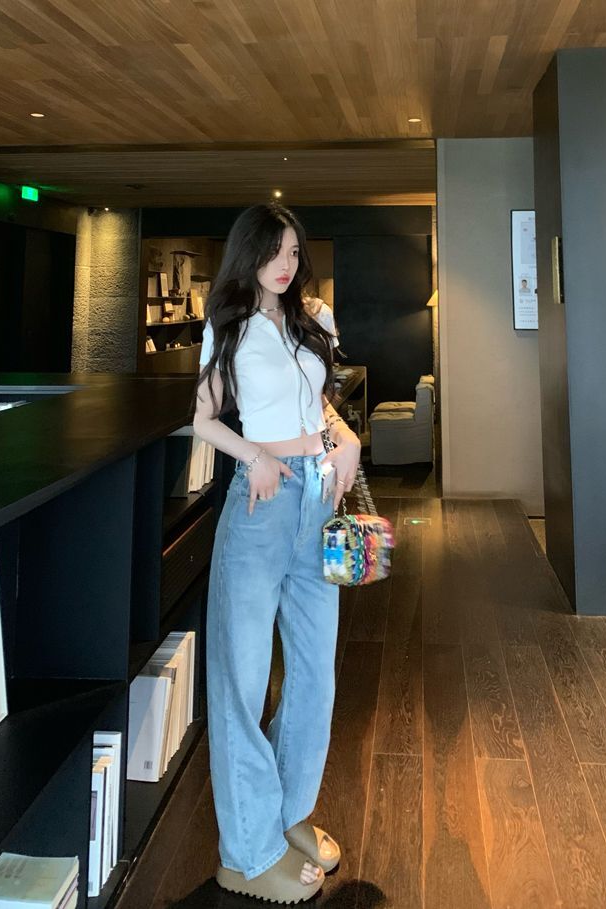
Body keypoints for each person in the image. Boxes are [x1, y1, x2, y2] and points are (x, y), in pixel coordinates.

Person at [193, 203, 361, 904]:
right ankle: (247, 851)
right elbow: (203, 418)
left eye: (294, 252)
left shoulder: (312, 317)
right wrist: (253, 455)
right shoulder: (229, 325)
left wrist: (346, 437)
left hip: (319, 500)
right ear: (249, 254)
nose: (286, 265)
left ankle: (288, 814)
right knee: (243, 677)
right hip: (260, 505)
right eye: (273, 252)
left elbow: (318, 407)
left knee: (316, 673)